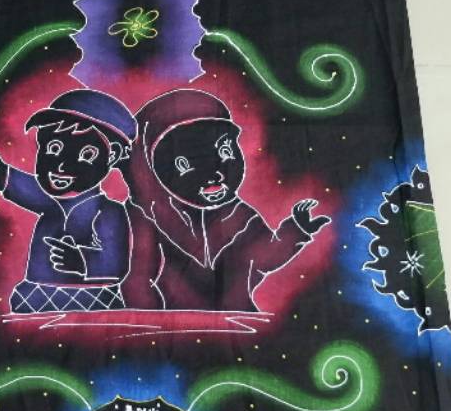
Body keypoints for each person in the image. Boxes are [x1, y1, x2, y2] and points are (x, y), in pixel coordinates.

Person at [121, 89, 330, 311]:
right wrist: (152, 323)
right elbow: (137, 280)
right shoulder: (144, 218)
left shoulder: (237, 213)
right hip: (174, 320)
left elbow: (264, 256)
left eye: (224, 152)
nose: (215, 173)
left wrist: (296, 231)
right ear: (149, 168)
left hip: (237, 318)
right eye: (187, 162)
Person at [0, 89, 137, 313]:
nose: (61, 165)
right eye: (54, 149)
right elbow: (32, 190)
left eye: (86, 154)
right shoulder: (49, 203)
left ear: (112, 156)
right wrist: (6, 178)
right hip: (37, 296)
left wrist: (82, 261)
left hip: (92, 299)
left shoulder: (109, 211)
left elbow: (115, 263)